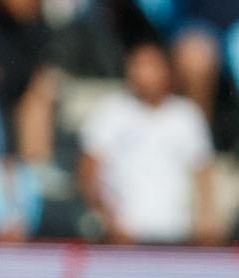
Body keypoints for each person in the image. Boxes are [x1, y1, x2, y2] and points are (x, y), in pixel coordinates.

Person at [78, 41, 217, 245]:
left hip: (177, 237)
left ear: (167, 71)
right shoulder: (111, 111)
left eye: (150, 66)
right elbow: (88, 172)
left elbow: (202, 172)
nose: (142, 73)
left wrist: (206, 218)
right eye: (137, 65)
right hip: (125, 237)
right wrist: (108, 218)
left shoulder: (187, 115)